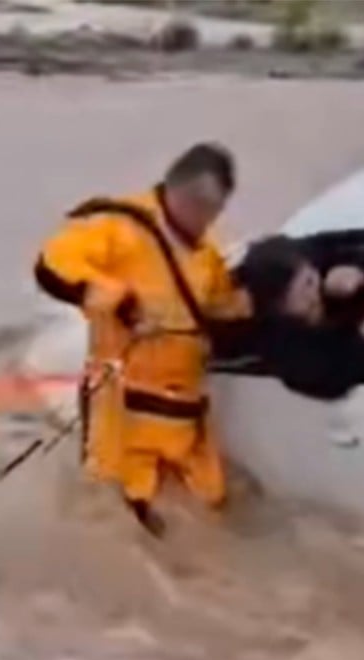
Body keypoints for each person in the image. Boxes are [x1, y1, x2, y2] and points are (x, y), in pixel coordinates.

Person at [33, 143, 251, 536]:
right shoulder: (117, 228)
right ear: (178, 193)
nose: (208, 222)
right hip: (122, 411)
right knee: (120, 523)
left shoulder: (208, 254)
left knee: (212, 514)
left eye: (215, 212)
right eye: (204, 209)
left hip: (186, 417)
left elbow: (221, 307)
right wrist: (118, 301)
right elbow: (52, 265)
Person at [216, 234, 364, 400]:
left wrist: (359, 273)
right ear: (280, 307)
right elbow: (330, 380)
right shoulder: (282, 346)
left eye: (311, 279)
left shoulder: (316, 261)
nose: (314, 292)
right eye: (304, 290)